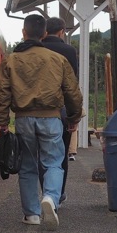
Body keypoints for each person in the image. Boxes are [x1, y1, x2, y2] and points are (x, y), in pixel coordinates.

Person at [0, 14, 83, 230]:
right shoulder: (57, 59)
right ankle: (51, 198)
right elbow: (72, 92)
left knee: (27, 165)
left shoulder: (12, 59)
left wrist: (2, 121)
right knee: (53, 161)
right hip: (51, 118)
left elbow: (3, 93)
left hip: (23, 119)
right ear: (44, 34)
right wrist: (73, 118)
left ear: (24, 32)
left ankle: (31, 214)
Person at [42, 17, 80, 202]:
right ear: (62, 31)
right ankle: (57, 194)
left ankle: (41, 193)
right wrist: (74, 116)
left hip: (33, 109)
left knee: (39, 154)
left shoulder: (35, 49)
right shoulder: (68, 51)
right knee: (61, 154)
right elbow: (72, 86)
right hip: (61, 110)